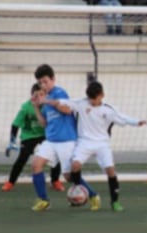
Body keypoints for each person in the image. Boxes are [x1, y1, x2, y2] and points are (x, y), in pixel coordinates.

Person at [40, 81, 147, 212]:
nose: (92, 101)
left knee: (110, 170)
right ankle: (79, 192)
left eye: (94, 99)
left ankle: (115, 202)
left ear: (102, 95)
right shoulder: (81, 103)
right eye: (89, 98)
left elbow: (122, 118)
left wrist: (137, 122)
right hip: (84, 142)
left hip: (102, 144)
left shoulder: (109, 109)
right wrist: (46, 101)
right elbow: (62, 102)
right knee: (75, 166)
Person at [30, 64, 100, 212]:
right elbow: (44, 123)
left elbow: (68, 110)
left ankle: (93, 195)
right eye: (40, 82)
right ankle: (44, 200)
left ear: (53, 79)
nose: (43, 85)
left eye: (45, 81)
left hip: (67, 141)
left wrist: (47, 101)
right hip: (51, 141)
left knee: (69, 177)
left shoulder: (59, 92)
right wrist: (36, 106)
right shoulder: (45, 98)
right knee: (36, 165)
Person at [1, 83, 64, 192]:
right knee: (23, 157)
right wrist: (12, 141)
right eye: (36, 95)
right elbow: (15, 124)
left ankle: (55, 181)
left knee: (56, 155)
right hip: (29, 135)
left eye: (42, 94)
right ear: (32, 96)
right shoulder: (26, 107)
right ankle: (10, 182)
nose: (39, 97)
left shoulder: (48, 106)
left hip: (45, 134)